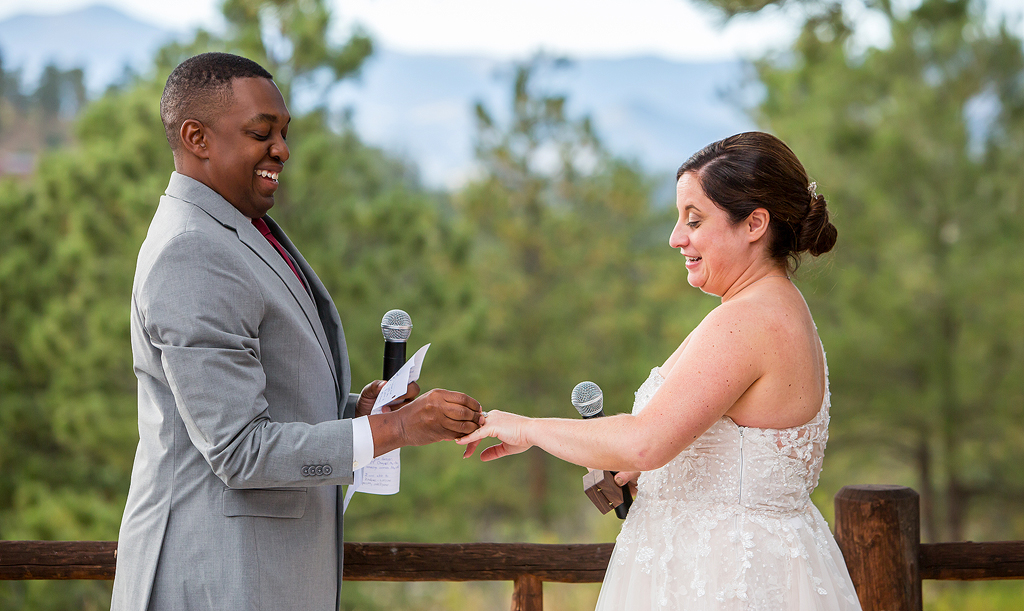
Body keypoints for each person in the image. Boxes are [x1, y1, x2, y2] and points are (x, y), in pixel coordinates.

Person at [111, 52, 483, 611]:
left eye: (283, 133)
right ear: (197, 137)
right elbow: (240, 450)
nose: (282, 150)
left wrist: (361, 411)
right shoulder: (191, 251)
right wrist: (398, 429)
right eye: (262, 133)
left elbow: (273, 395)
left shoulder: (241, 229)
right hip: (216, 577)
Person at [459, 132, 862, 610]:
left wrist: (526, 428)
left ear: (755, 223)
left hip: (724, 578)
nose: (676, 238)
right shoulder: (775, 308)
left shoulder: (749, 319)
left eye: (694, 220)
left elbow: (645, 441)